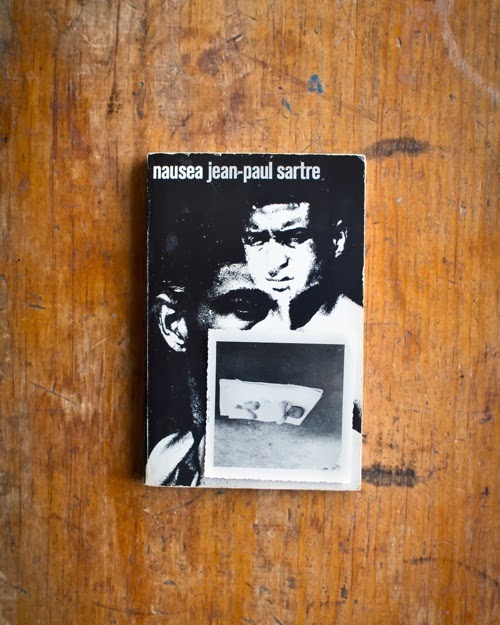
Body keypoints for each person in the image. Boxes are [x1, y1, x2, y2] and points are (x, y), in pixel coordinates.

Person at [147, 173, 363, 486]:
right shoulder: (164, 462)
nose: (281, 329)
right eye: (248, 309)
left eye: (299, 311)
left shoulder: (341, 459)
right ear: (174, 323)